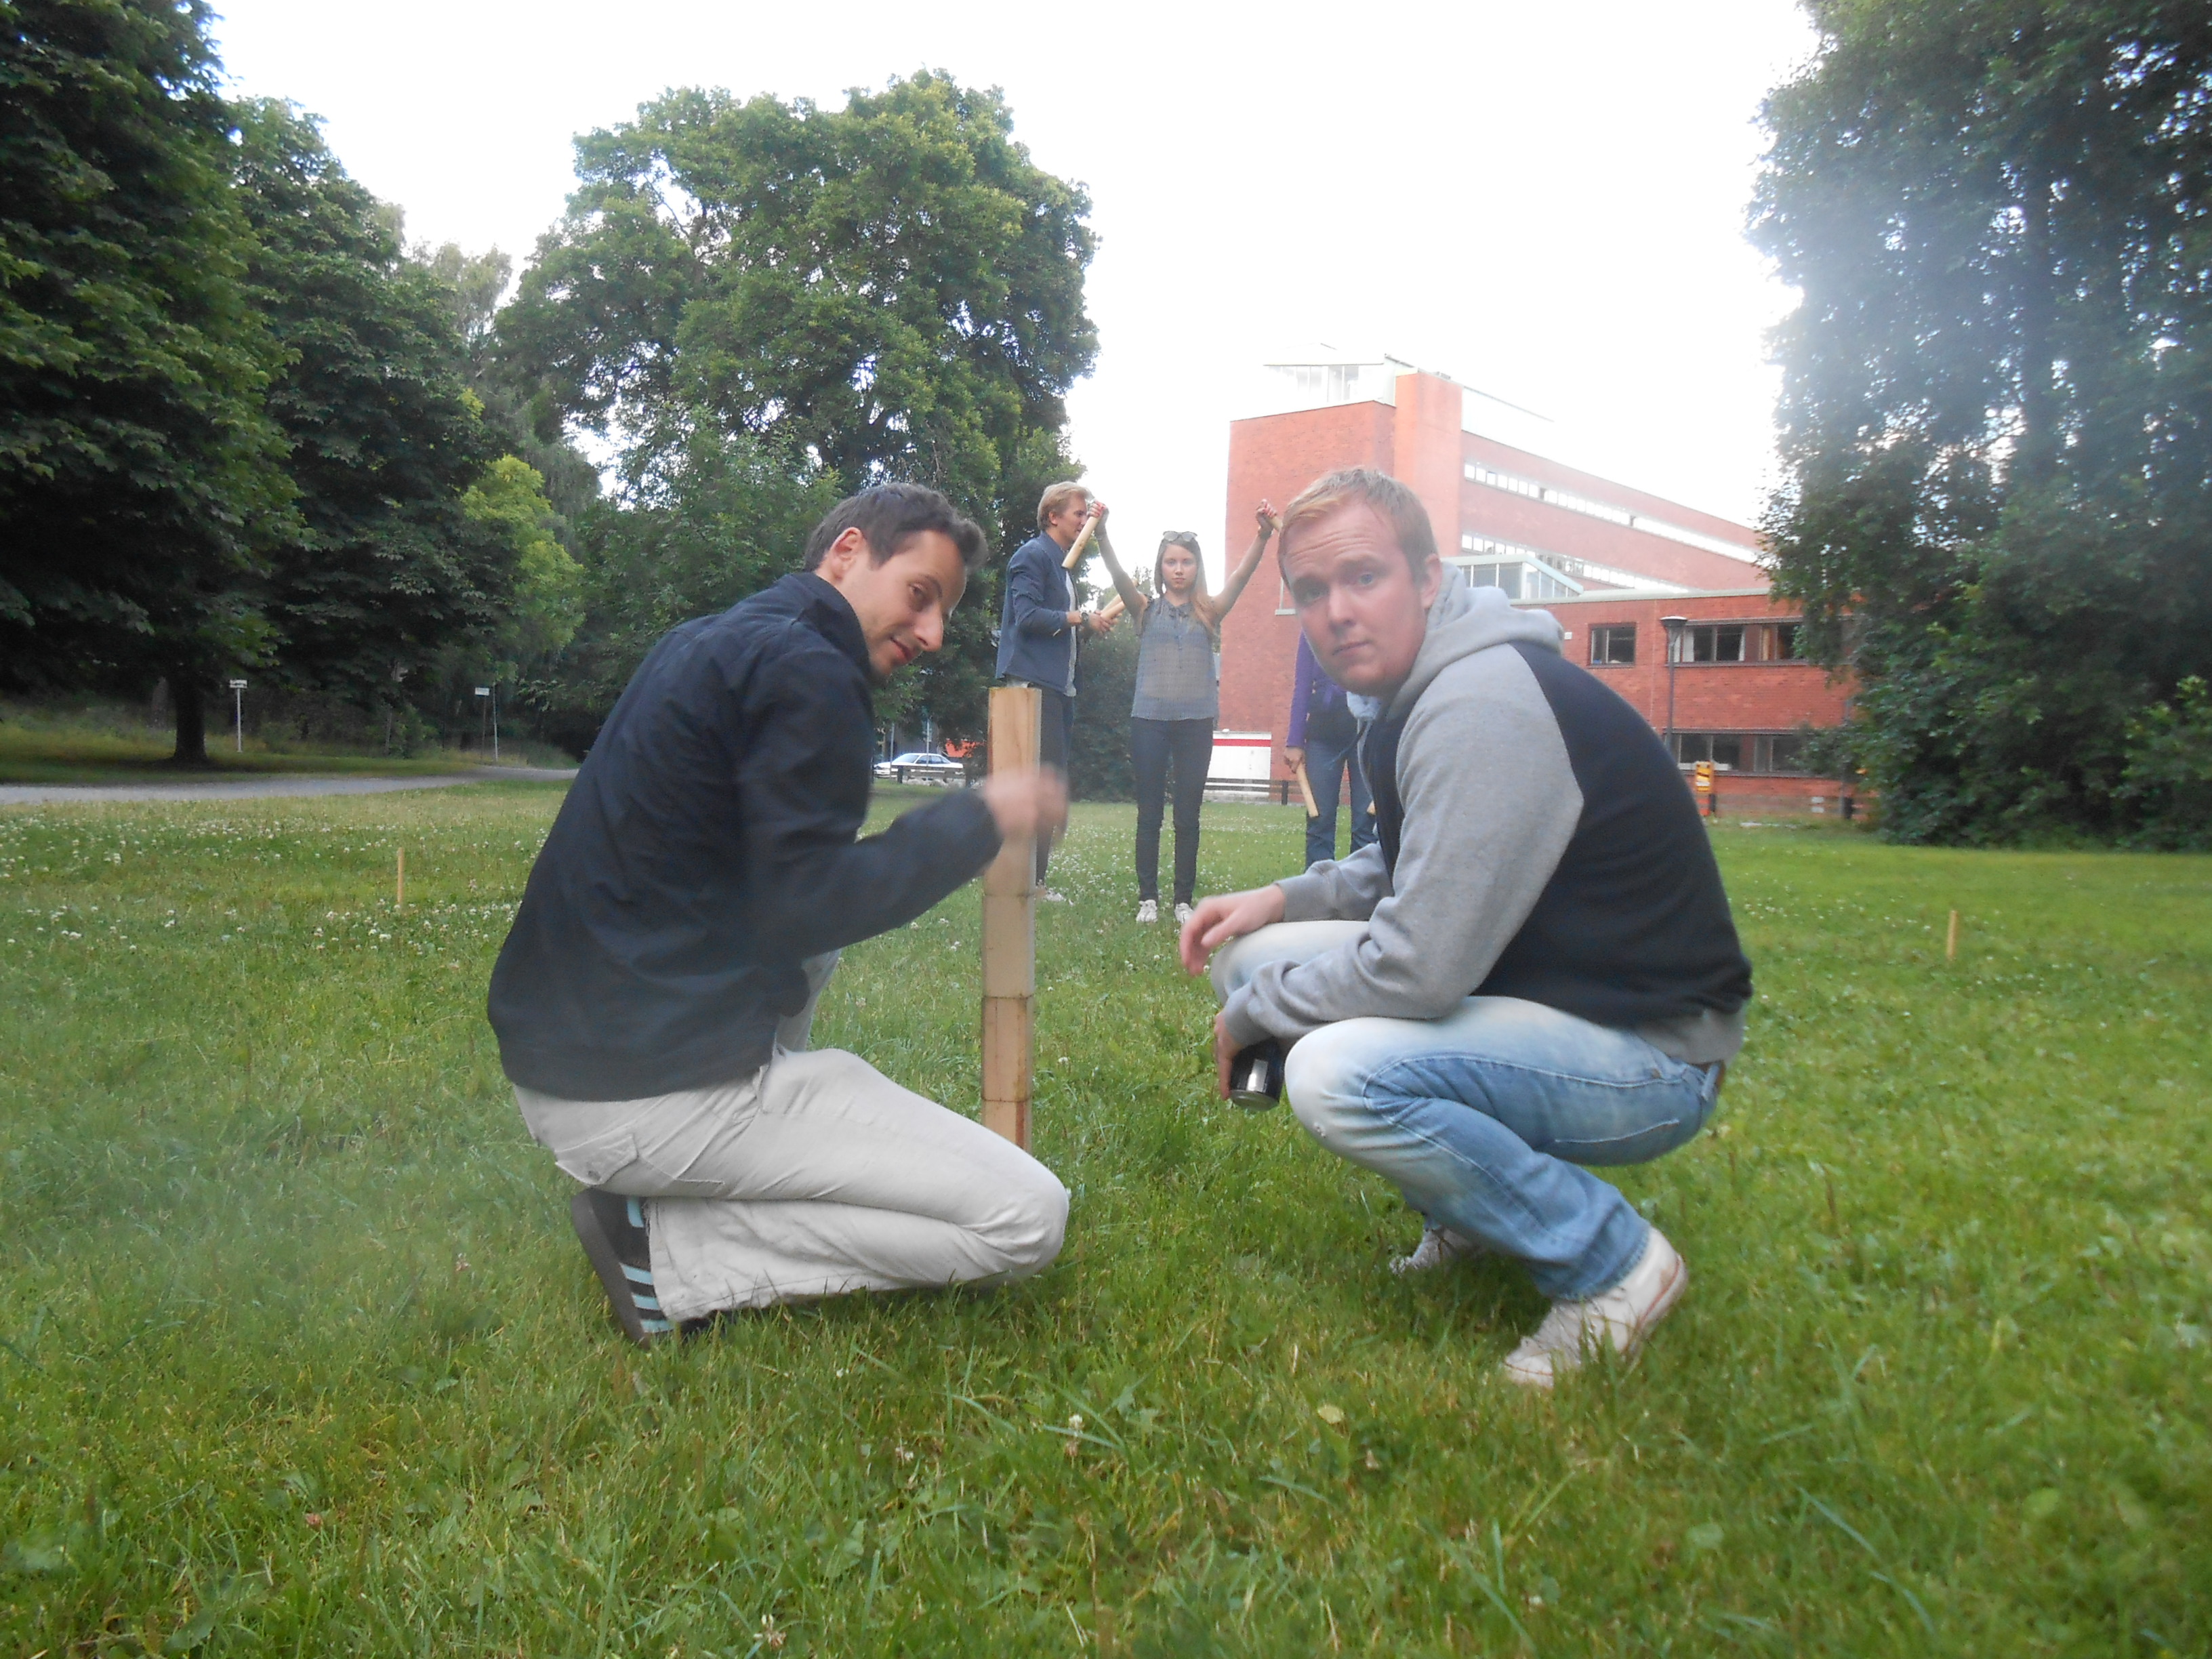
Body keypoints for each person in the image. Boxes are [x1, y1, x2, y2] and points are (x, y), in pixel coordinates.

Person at [1179, 468, 1751, 1389]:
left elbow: (1420, 968)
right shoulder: (1419, 689)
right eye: (1312, 591)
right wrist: (1282, 899)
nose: (1337, 612)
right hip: (1546, 998)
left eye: (1365, 577)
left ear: (1429, 579)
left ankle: (1612, 1264)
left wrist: (1254, 1020)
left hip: (1651, 1053)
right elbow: (1423, 857)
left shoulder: (1480, 702)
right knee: (1251, 958)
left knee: (1334, 1074)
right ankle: (1473, 1215)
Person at [489, 484, 1072, 1345]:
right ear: (847, 552)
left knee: (815, 953)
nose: (933, 635)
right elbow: (810, 904)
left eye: (944, 612)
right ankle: (668, 1252)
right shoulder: (811, 670)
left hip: (564, 1064)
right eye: (920, 595)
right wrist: (981, 817)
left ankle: (691, 1173)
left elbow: (785, 897)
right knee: (1026, 1217)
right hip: (634, 1092)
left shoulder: (713, 639)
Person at [1094, 504, 1276, 924]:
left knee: (1188, 815)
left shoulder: (1209, 611)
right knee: (1149, 812)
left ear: (1197, 567)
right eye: (1171, 562)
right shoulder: (1145, 609)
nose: (1179, 569)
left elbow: (1241, 576)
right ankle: (1148, 898)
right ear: (1161, 566)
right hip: (1149, 721)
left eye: (1187, 562)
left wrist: (1263, 535)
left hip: (1196, 722)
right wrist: (1102, 533)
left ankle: (1182, 900)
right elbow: (1119, 576)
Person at [995, 481, 1116, 899]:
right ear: (1053, 516)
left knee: (1050, 784)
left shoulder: (1062, 568)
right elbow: (1027, 616)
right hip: (1033, 688)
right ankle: (1026, 880)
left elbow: (1061, 626)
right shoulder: (1031, 556)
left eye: (1086, 514)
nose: (1083, 521)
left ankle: (1036, 880)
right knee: (1037, 786)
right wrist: (1079, 617)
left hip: (1060, 689)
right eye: (1078, 514)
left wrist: (1089, 624)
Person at [1284, 630, 1377, 869]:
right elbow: (1302, 685)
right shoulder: (1311, 629)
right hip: (1322, 735)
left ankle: (1362, 889)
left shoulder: (1369, 620)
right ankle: (1320, 889)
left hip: (1367, 731)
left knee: (1367, 823)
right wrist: (1295, 740)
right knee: (1320, 821)